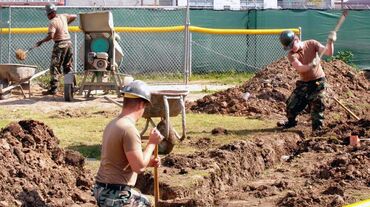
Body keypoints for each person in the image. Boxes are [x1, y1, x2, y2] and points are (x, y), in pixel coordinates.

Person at [93, 80, 162, 207]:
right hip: (115, 195)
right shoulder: (129, 129)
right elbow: (139, 167)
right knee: (146, 204)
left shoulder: (113, 124)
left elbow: (121, 161)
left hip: (102, 190)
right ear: (141, 104)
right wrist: (152, 143)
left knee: (145, 201)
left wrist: (148, 161)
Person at [277, 30, 336, 133]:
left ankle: (317, 131)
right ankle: (291, 122)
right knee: (291, 105)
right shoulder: (291, 55)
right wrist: (311, 65)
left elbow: (328, 52)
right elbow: (300, 68)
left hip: (319, 82)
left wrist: (330, 42)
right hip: (304, 84)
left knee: (318, 103)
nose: (291, 49)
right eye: (289, 47)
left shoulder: (312, 44)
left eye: (292, 45)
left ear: (297, 39)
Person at [36, 3, 77, 95]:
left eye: (47, 14)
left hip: (60, 44)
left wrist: (41, 41)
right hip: (69, 43)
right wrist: (66, 23)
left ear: (50, 13)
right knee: (68, 66)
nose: (47, 16)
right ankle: (71, 87)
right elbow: (75, 16)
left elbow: (51, 36)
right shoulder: (63, 16)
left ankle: (53, 89)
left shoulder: (52, 22)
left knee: (54, 67)